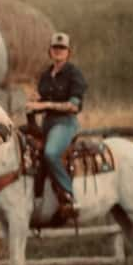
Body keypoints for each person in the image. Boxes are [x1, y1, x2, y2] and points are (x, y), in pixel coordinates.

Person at [26, 31, 87, 222]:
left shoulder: (74, 74)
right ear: (50, 51)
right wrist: (33, 102)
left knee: (51, 153)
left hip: (66, 123)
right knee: (22, 146)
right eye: (55, 48)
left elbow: (73, 106)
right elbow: (39, 98)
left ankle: (69, 195)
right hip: (48, 124)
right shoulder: (45, 75)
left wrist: (43, 105)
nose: (58, 51)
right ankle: (34, 198)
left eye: (62, 48)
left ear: (69, 52)